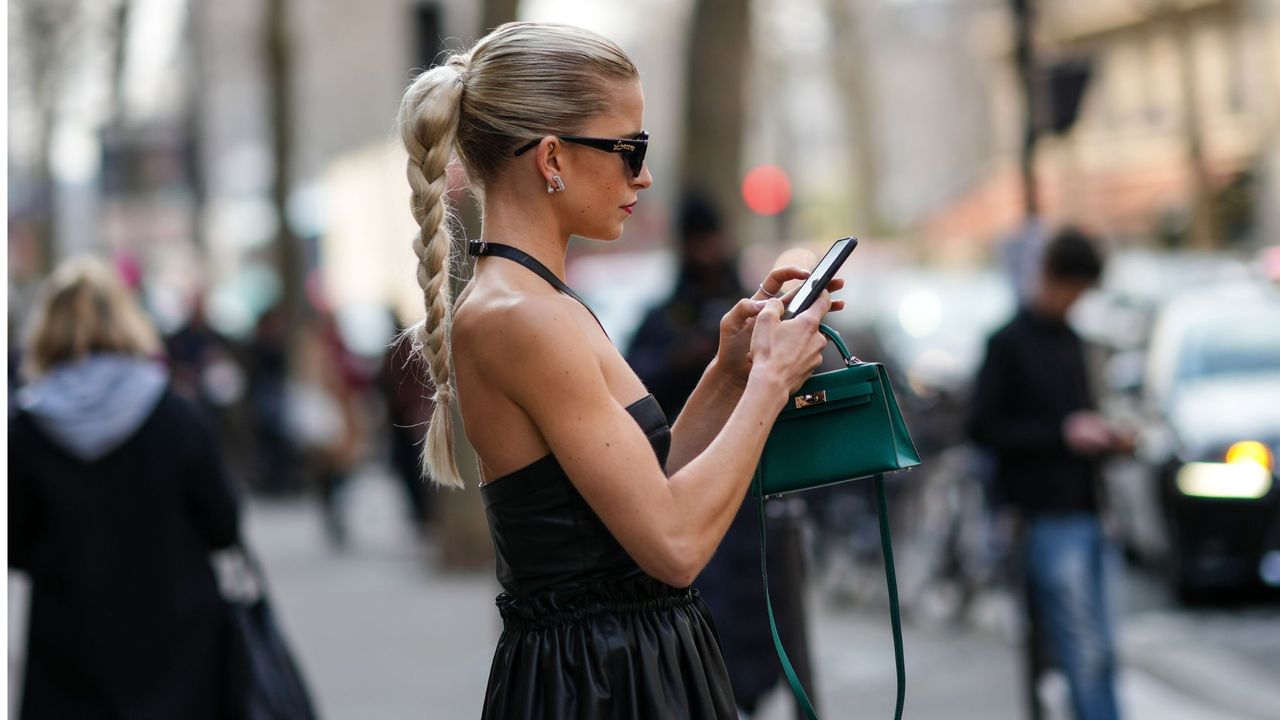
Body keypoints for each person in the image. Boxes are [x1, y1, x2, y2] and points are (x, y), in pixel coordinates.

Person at [395, 22, 841, 718]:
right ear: (551, 158)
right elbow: (674, 544)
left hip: (618, 665)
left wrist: (730, 370)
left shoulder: (537, 298)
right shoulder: (520, 315)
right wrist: (770, 384)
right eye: (630, 147)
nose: (645, 174)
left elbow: (649, 491)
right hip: (604, 682)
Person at [8, 256, 242, 719]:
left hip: (69, 652)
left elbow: (12, 545)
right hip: (178, 649)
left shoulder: (26, 432)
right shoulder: (176, 416)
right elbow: (223, 526)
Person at [627, 193, 817, 717]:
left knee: (769, 613)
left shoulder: (750, 305)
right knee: (714, 619)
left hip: (760, 492)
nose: (709, 254)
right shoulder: (664, 316)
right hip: (697, 487)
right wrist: (689, 356)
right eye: (699, 243)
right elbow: (637, 390)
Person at [968, 227, 1127, 720]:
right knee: (1081, 650)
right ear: (1051, 278)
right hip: (1046, 515)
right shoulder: (1007, 343)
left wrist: (1109, 438)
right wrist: (1063, 433)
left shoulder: (1074, 341)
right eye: (1074, 291)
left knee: (1101, 650)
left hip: (1088, 509)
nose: (1075, 303)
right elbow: (982, 427)